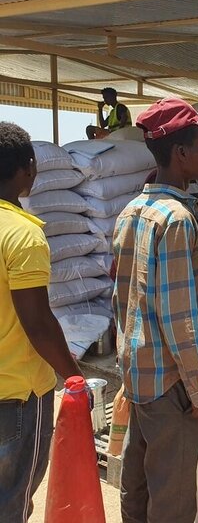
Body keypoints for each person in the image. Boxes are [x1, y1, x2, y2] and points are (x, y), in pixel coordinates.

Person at [113, 98, 198, 523]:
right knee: (173, 499)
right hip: (169, 381)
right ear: (180, 154)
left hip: (137, 371)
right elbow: (180, 319)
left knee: (137, 486)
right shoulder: (176, 221)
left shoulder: (131, 211)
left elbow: (124, 300)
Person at [0, 122, 83, 522]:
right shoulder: (23, 236)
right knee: (13, 499)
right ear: (27, 169)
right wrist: (72, 373)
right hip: (16, 395)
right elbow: (37, 323)